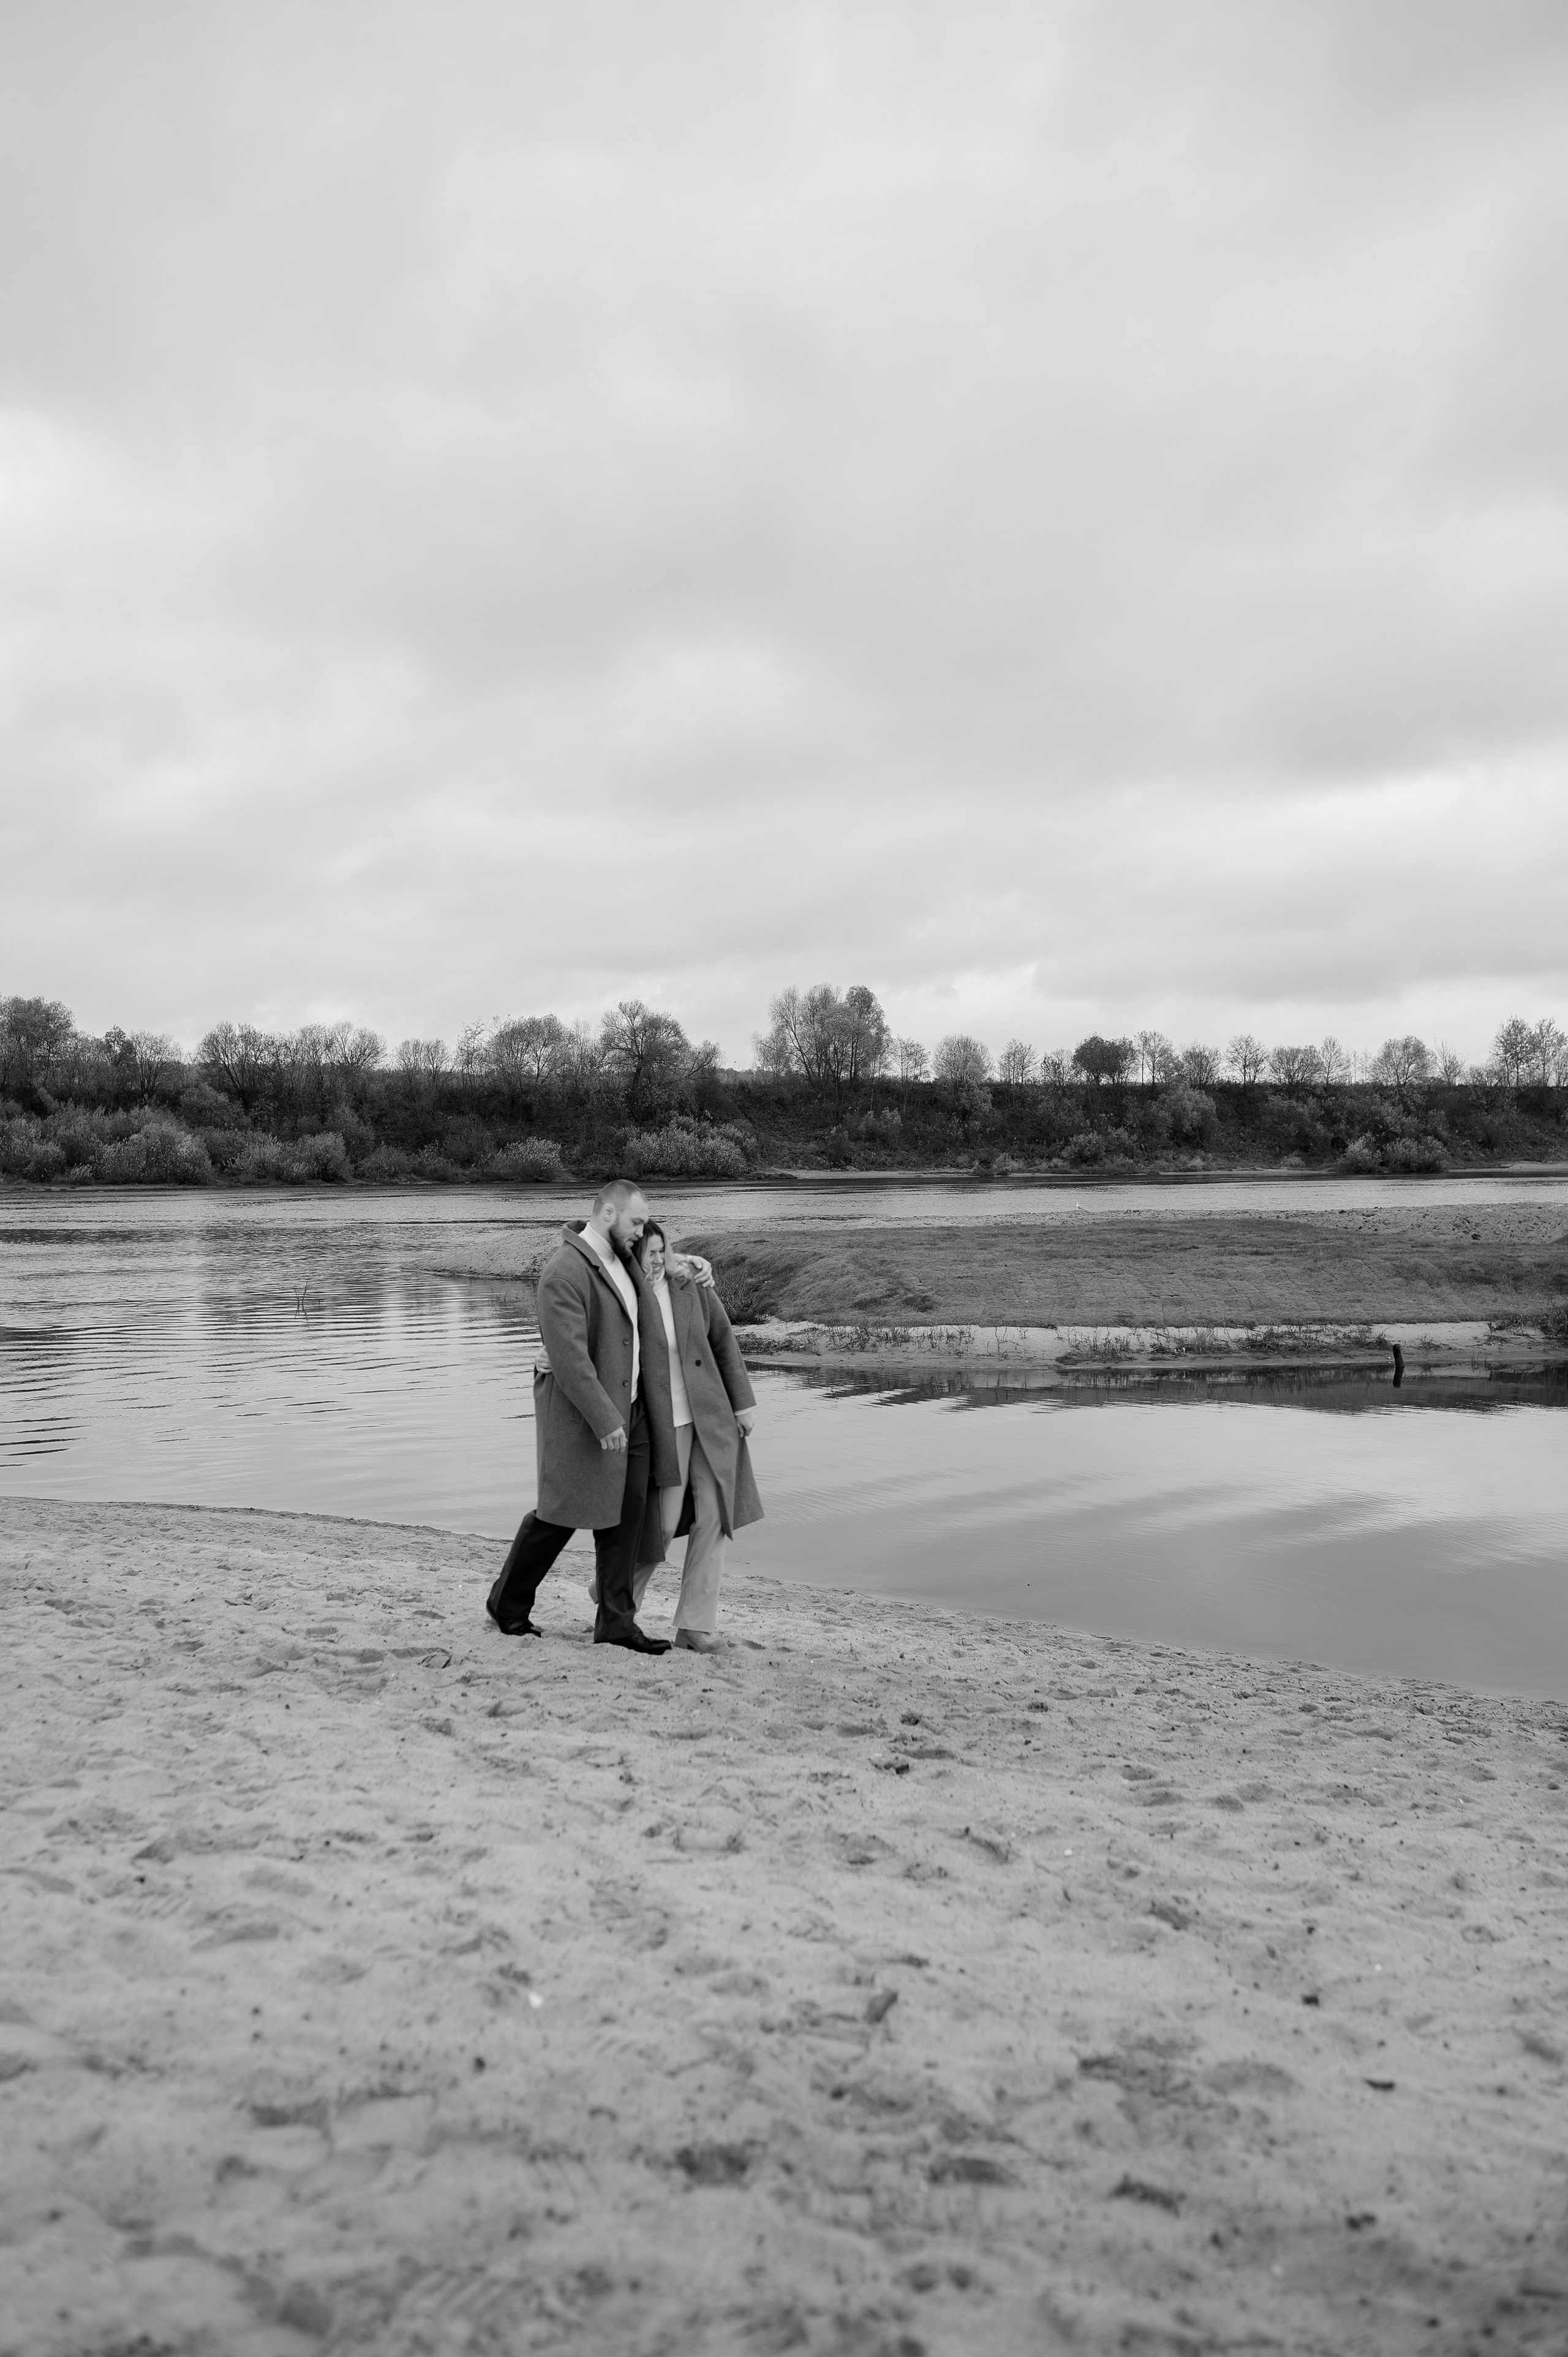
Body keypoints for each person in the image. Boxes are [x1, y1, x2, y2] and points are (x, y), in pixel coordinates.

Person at [486, 1178, 682, 1654]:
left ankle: (616, 1624)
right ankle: (507, 1603)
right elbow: (570, 1359)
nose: (643, 1231)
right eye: (636, 1221)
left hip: (634, 1412)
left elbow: (662, 1273)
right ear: (609, 1214)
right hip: (585, 1418)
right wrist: (604, 1418)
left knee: (626, 1519)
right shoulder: (564, 1271)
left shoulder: (625, 1260)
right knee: (560, 1514)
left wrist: (693, 1263)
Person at [628, 1219, 762, 1651]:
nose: (656, 1260)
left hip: (712, 1418)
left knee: (715, 1516)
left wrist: (743, 1404)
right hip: (664, 1426)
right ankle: (616, 1599)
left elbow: (724, 1341)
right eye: (648, 1251)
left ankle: (695, 1627)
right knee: (663, 1526)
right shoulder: (625, 1295)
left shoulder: (692, 1285)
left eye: (662, 1251)